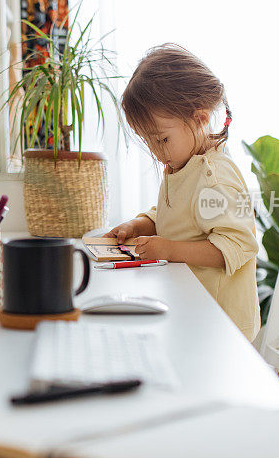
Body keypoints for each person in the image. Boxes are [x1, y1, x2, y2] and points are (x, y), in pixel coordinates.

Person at [105, 43, 260, 341]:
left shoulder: (214, 177)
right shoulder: (184, 165)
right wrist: (140, 224)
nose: (156, 152)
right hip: (194, 310)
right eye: (148, 142)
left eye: (162, 139)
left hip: (220, 324)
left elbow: (237, 246)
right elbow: (178, 212)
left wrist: (168, 249)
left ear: (200, 118)